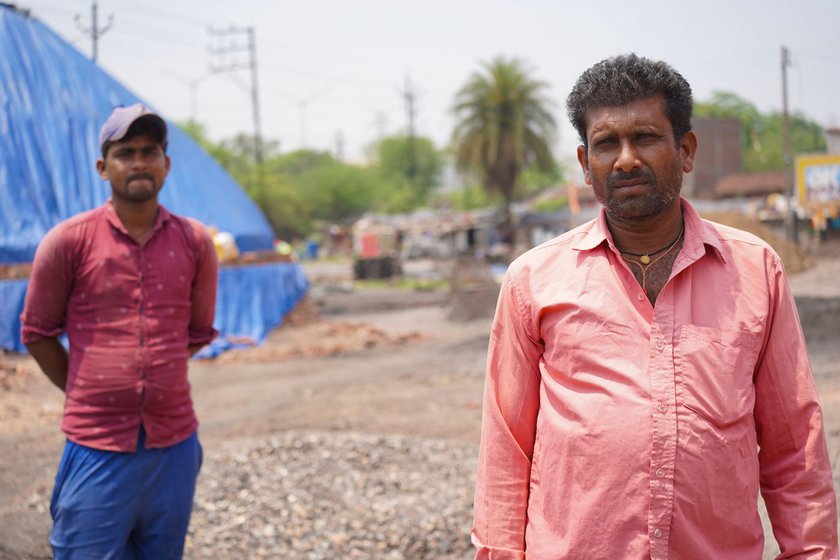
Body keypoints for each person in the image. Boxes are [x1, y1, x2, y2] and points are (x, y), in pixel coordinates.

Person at [471, 54, 838, 559]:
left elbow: (794, 444)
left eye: (644, 137)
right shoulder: (533, 280)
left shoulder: (756, 271)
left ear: (685, 150)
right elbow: (505, 450)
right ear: (584, 164)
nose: (625, 159)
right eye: (606, 143)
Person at [20, 103, 219, 559]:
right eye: (125, 152)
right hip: (98, 446)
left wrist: (149, 376)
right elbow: (37, 332)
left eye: (150, 151)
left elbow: (196, 332)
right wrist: (88, 388)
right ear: (103, 167)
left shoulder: (194, 242)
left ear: (166, 164)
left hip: (174, 445)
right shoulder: (68, 240)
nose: (139, 163)